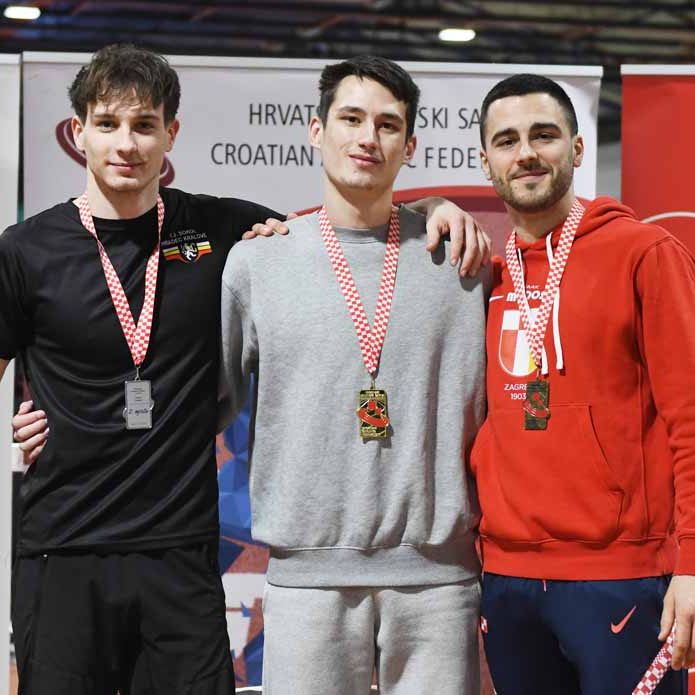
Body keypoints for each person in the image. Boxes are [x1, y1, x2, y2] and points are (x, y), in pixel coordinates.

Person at [3, 45, 487, 694]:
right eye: (108, 124)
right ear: (78, 131)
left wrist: (434, 205)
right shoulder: (26, 249)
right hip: (63, 546)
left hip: (180, 552)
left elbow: (351, 221)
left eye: (144, 125)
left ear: (171, 133)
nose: (126, 143)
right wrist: (14, 436)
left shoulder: (221, 227)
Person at [220, 55, 488, 695]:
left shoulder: (461, 260)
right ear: (317, 131)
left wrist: (438, 206)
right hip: (307, 578)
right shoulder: (259, 262)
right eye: (351, 118)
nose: (368, 137)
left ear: (410, 146)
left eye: (388, 125)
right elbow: (201, 406)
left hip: (438, 582)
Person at [471, 73, 695, 694]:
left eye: (543, 135)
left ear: (576, 148)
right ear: (486, 161)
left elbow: (690, 418)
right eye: (507, 141)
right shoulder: (487, 278)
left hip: (622, 576)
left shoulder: (644, 254)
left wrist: (692, 566)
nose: (526, 153)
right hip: (508, 579)